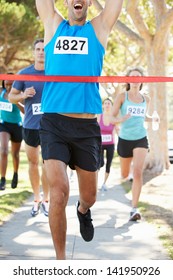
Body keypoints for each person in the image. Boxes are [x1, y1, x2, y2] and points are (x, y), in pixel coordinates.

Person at [35, 0, 124, 259]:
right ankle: (61, 263)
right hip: (54, 123)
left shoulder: (98, 29)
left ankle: (83, 211)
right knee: (59, 191)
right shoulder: (53, 25)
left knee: (89, 196)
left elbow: (114, 6)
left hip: (86, 127)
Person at [9, 39, 49, 217]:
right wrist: (24, 95)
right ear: (33, 53)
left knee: (47, 164)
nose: (41, 52)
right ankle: (36, 199)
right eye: (38, 49)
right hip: (31, 126)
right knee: (33, 163)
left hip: (50, 127)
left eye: (44, 49)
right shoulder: (24, 74)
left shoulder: (55, 73)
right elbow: (11, 97)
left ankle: (46, 200)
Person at [111, 66, 157, 222]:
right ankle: (126, 173)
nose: (136, 78)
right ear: (128, 79)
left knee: (137, 173)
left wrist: (153, 119)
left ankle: (134, 209)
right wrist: (121, 119)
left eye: (139, 76)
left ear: (142, 80)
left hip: (140, 138)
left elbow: (143, 117)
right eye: (133, 76)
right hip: (124, 139)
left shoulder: (146, 99)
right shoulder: (122, 97)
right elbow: (111, 118)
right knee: (125, 175)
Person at [0, 75, 24, 191]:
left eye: (11, 84)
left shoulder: (19, 94)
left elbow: (25, 110)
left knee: (15, 154)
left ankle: (15, 173)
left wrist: (15, 101)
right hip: (3, 124)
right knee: (3, 151)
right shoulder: (1, 92)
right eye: (7, 84)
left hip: (17, 126)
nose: (8, 86)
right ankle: (3, 179)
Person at [97, 97, 119, 191]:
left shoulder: (113, 118)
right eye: (105, 103)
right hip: (101, 144)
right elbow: (95, 129)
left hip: (110, 144)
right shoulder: (99, 116)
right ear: (103, 105)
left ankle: (104, 184)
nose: (107, 105)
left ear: (111, 106)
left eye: (109, 103)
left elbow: (117, 130)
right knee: (100, 163)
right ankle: (96, 182)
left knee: (108, 164)